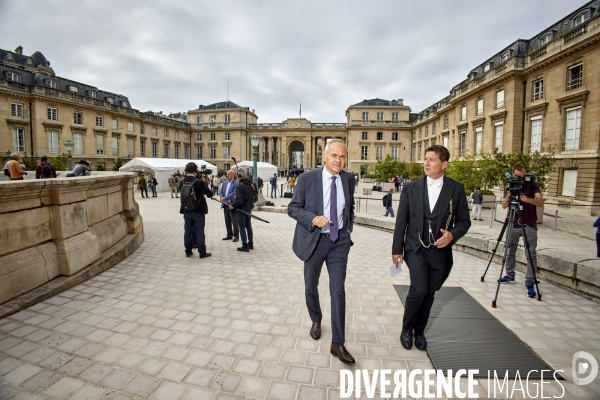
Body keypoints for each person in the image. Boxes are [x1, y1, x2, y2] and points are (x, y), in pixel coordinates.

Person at [392, 145, 471, 351]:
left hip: (439, 250)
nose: (426, 163)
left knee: (430, 293)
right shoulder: (411, 188)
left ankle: (420, 331)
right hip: (415, 248)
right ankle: (406, 329)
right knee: (418, 290)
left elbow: (464, 221)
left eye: (432, 160)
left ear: (444, 164)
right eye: (425, 159)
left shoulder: (456, 188)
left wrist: (452, 235)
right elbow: (401, 221)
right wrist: (396, 249)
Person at [287, 139, 356, 365]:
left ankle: (338, 343)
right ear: (324, 156)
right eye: (334, 156)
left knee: (338, 291)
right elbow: (293, 208)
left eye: (342, 157)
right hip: (314, 241)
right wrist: (313, 218)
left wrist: (348, 226)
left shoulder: (347, 179)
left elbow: (349, 206)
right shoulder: (307, 179)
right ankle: (316, 318)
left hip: (339, 242)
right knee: (310, 286)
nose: (338, 160)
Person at [500, 164, 544, 298]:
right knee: (509, 250)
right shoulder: (510, 186)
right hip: (513, 223)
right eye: (518, 176)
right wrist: (509, 195)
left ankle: (530, 281)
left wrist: (528, 200)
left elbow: (541, 201)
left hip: (528, 224)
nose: (521, 179)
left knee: (530, 254)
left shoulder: (532, 185)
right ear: (513, 175)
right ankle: (509, 275)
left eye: (523, 176)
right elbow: (503, 205)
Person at [178, 162, 213, 258]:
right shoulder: (198, 182)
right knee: (199, 231)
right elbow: (209, 193)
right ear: (195, 171)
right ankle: (202, 252)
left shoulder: (181, 182)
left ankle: (188, 251)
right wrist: (203, 182)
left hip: (186, 210)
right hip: (198, 210)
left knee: (187, 231)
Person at [230, 169, 254, 252]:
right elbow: (255, 197)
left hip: (241, 209)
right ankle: (250, 243)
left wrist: (233, 205)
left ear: (240, 176)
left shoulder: (239, 186)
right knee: (248, 226)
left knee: (242, 227)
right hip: (249, 208)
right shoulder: (252, 184)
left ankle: (245, 245)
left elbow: (239, 200)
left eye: (237, 176)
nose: (236, 178)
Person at [220, 170, 239, 242]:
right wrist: (222, 197)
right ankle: (229, 235)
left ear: (233, 175)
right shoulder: (225, 183)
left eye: (229, 174)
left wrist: (225, 198)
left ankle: (236, 236)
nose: (227, 175)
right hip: (225, 204)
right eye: (227, 174)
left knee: (234, 221)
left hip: (232, 204)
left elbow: (234, 193)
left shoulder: (236, 183)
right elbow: (221, 191)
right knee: (227, 220)